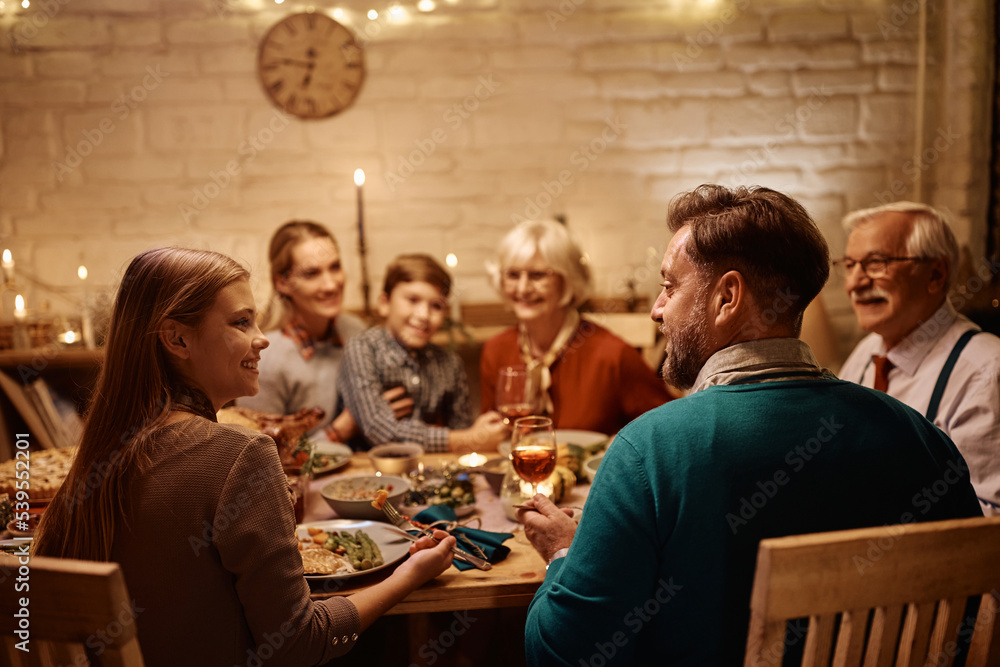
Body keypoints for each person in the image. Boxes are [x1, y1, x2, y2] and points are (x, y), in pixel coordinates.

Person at [517, 185, 983, 666]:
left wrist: (566, 555)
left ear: (728, 297)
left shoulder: (648, 450)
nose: (658, 309)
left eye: (670, 286)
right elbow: (976, 608)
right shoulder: (921, 438)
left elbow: (561, 654)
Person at [33, 247, 457, 666]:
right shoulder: (241, 455)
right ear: (177, 338)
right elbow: (299, 644)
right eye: (241, 322)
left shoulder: (100, 454)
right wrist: (410, 575)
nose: (262, 337)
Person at [837, 202, 1000, 516]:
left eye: (876, 263)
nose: (855, 283)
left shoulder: (985, 371)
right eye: (849, 264)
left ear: (936, 274)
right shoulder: (864, 354)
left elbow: (988, 521)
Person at [480, 219, 672, 435]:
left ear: (567, 280)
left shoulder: (612, 356)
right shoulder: (496, 350)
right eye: (513, 275)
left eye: (538, 275)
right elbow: (495, 435)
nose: (523, 289)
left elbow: (666, 429)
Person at [237, 220, 411, 443]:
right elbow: (261, 457)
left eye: (335, 267)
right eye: (311, 273)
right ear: (283, 282)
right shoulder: (264, 358)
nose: (330, 285)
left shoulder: (354, 330)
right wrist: (344, 427)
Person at [339, 253, 508, 452]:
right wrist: (467, 439)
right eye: (412, 300)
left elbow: (461, 431)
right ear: (385, 304)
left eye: (436, 306)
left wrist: (473, 437)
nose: (424, 315)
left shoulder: (449, 363)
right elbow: (380, 431)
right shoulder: (362, 350)